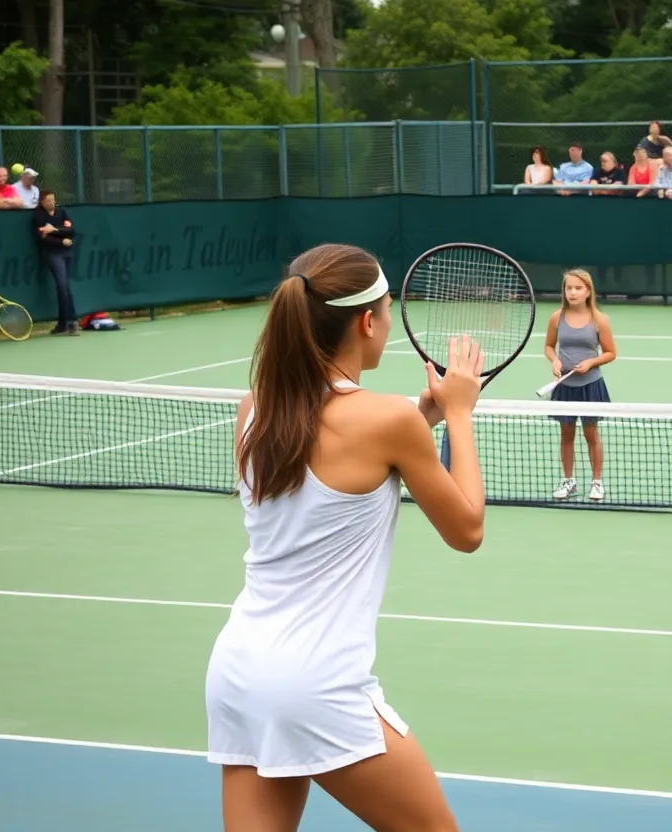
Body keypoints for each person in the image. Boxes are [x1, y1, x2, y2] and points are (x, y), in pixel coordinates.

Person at [204, 243, 488, 832]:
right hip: (316, 684)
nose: (388, 323)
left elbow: (337, 444)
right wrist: (458, 413)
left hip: (237, 675)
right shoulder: (389, 422)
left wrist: (422, 415)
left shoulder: (255, 409)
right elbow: (467, 529)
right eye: (387, 311)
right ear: (366, 322)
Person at [543, 268, 617, 502]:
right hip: (564, 386)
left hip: (590, 384)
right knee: (566, 435)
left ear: (588, 291)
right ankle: (568, 481)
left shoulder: (599, 320)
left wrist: (591, 362)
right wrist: (554, 360)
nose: (572, 292)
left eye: (578, 288)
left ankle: (596, 482)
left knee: (591, 434)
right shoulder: (556, 318)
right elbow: (548, 346)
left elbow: (611, 353)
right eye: (569, 288)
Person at [31, 190, 81, 335]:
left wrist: (53, 229)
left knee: (65, 286)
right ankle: (69, 322)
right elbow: (42, 238)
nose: (52, 202)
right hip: (52, 254)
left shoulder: (62, 212)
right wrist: (61, 239)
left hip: (67, 254)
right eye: (48, 200)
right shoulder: (38, 216)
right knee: (62, 285)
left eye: (53, 199)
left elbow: (71, 230)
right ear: (42, 202)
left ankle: (65, 323)